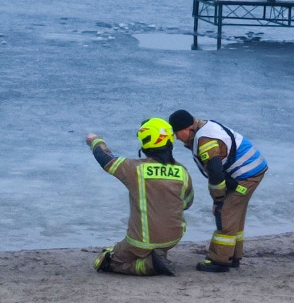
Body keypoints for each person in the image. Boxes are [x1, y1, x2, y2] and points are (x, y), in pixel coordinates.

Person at [85, 118, 194, 276]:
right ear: (170, 141)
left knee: (103, 261)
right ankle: (155, 255)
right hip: (173, 239)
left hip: (140, 241)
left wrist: (95, 140)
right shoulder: (182, 172)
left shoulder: (134, 169)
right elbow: (187, 203)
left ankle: (150, 265)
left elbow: (105, 159)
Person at [168, 109, 268, 273]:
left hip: (247, 174)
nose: (177, 138)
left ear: (187, 129)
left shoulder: (205, 141)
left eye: (177, 133)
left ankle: (220, 261)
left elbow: (215, 175)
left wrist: (218, 200)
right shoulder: (203, 129)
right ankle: (234, 257)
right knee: (236, 212)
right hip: (252, 168)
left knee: (225, 213)